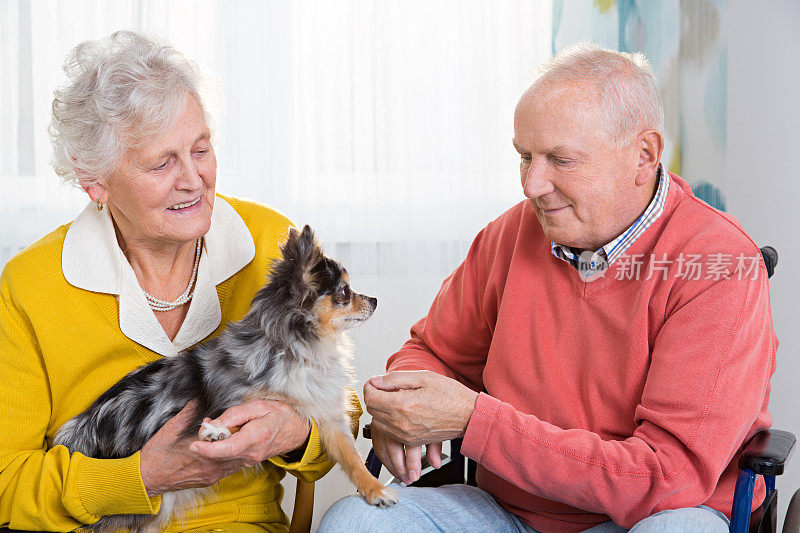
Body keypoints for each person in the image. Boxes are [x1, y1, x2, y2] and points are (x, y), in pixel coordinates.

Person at [319, 42, 776, 532]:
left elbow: (666, 478)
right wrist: (403, 407)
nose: (532, 185)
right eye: (525, 157)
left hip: (653, 514)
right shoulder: (510, 234)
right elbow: (433, 351)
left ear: (644, 155)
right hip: (509, 513)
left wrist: (477, 422)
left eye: (560, 159)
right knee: (354, 521)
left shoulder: (719, 266)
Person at [0, 30, 359, 531]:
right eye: (161, 162)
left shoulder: (272, 245)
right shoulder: (30, 285)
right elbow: (7, 485)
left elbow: (340, 406)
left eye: (201, 149)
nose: (194, 179)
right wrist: (142, 477)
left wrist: (296, 432)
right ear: (95, 180)